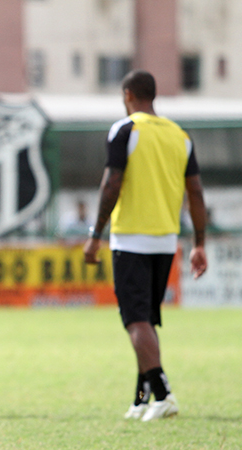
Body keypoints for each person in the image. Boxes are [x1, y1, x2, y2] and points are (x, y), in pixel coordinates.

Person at [83, 70, 208, 422]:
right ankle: (142, 398)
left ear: (127, 95)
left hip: (131, 237)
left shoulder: (125, 130)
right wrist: (199, 243)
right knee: (147, 322)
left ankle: (164, 393)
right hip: (166, 239)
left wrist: (95, 235)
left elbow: (112, 184)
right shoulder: (180, 136)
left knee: (136, 320)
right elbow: (195, 192)